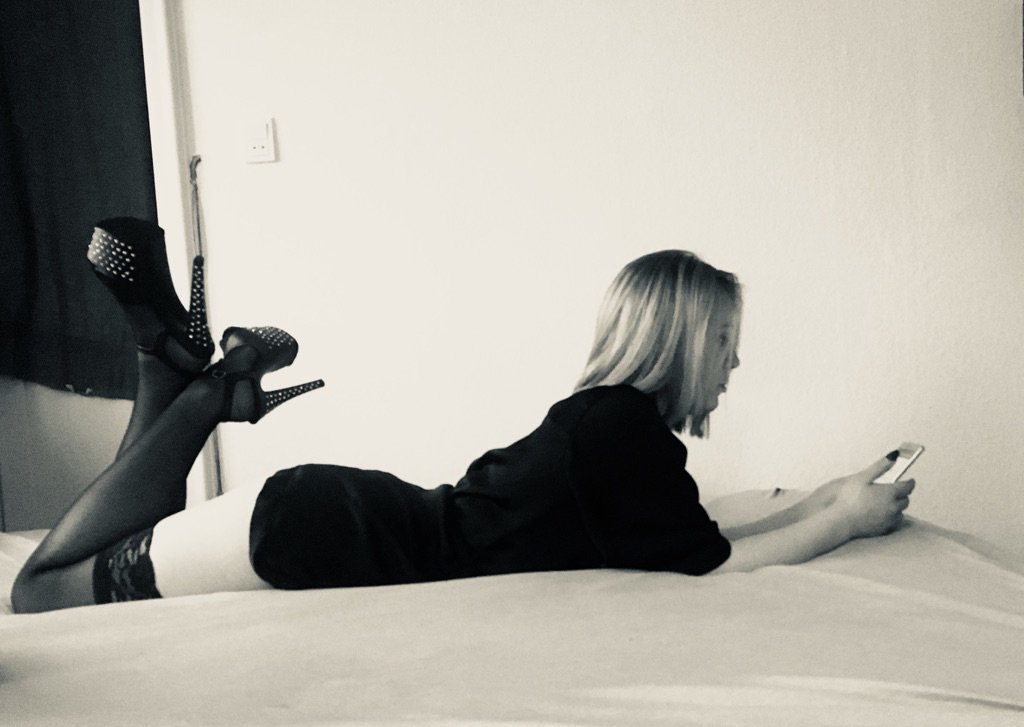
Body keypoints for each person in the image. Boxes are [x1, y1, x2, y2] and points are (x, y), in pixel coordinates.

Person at [11, 219, 915, 613]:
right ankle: (205, 390)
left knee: (100, 557)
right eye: (723, 342)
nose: (734, 364)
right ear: (677, 338)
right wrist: (843, 519)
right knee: (39, 594)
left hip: (331, 518)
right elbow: (714, 566)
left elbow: (696, 538)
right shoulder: (623, 431)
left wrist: (826, 495)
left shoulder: (615, 426)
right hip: (314, 533)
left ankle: (168, 363)